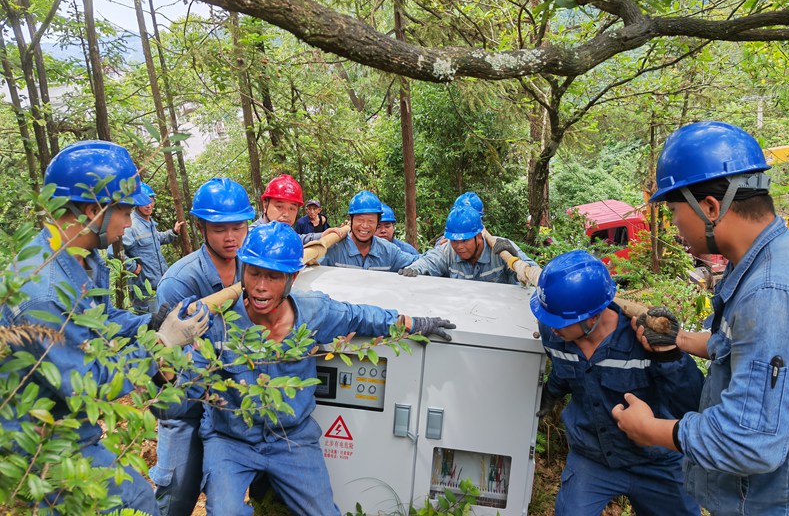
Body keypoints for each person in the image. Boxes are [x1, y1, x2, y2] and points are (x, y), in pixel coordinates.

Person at [162, 221, 455, 515]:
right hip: (230, 441)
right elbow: (184, 396)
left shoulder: (314, 311)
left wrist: (414, 323)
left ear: (293, 277)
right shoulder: (218, 324)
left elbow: (360, 317)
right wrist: (166, 371)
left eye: (274, 276)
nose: (261, 286)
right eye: (254, 273)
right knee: (225, 511)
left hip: (292, 439)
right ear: (243, 271)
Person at [0, 140, 208, 514]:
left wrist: (151, 322)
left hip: (75, 431)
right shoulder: (41, 294)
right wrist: (160, 343)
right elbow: (89, 384)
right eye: (124, 211)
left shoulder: (85, 258)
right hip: (41, 448)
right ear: (92, 210)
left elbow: (103, 319)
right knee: (138, 504)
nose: (129, 223)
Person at [611, 121, 789, 513]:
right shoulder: (759, 261)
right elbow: (739, 347)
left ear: (710, 208)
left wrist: (652, 430)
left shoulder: (769, 292)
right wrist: (676, 339)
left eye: (676, 212)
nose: (675, 226)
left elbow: (748, 439)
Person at [531, 250, 702, 515]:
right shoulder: (554, 331)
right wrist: (550, 394)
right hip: (592, 455)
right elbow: (565, 372)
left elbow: (691, 403)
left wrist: (671, 357)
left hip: (656, 460)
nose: (551, 327)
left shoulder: (642, 341)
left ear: (592, 316)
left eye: (560, 322)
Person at [149, 177, 256, 516]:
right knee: (176, 499)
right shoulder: (180, 281)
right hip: (187, 405)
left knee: (226, 500)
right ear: (201, 227)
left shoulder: (250, 266)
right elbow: (161, 358)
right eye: (220, 229)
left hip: (231, 401)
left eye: (238, 227)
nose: (231, 237)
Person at [398, 206, 537, 284]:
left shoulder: (502, 249)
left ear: (478, 236)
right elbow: (430, 261)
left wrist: (516, 257)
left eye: (464, 241)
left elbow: (533, 271)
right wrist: (415, 268)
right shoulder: (448, 251)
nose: (458, 246)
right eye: (454, 241)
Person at [119, 182, 185, 314]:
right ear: (137, 203)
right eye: (144, 202)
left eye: (151, 201)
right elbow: (113, 252)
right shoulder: (131, 225)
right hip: (144, 290)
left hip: (160, 284)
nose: (149, 205)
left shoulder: (149, 222)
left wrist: (173, 232)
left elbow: (156, 239)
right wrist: (133, 267)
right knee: (151, 328)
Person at [321, 191, 415, 272]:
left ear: (377, 222)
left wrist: (416, 268)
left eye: (371, 221)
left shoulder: (389, 252)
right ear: (351, 220)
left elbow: (424, 259)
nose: (365, 226)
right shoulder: (334, 249)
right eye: (360, 220)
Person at [254, 174, 346, 244]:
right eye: (279, 206)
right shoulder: (250, 236)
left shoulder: (283, 232)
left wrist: (322, 235)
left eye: (292, 208)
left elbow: (297, 238)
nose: (286, 214)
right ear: (265, 206)